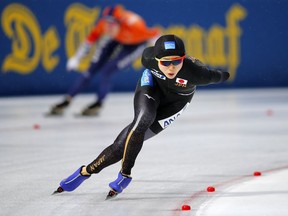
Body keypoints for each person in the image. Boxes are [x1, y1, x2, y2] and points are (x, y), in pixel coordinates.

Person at [53, 34, 230, 199]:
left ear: (183, 59)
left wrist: (225, 75)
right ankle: (123, 174)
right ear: (156, 59)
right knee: (142, 120)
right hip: (151, 86)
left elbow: (218, 75)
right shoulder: (148, 57)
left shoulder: (198, 74)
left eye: (176, 62)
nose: (171, 67)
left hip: (176, 103)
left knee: (121, 146)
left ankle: (86, 171)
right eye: (165, 62)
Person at [49, 5, 160, 116]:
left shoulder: (136, 27)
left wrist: (157, 55)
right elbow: (89, 41)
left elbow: (155, 34)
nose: (108, 28)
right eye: (107, 23)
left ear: (120, 24)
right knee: (92, 68)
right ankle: (68, 99)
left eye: (112, 24)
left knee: (108, 70)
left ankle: (99, 103)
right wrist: (77, 58)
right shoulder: (103, 26)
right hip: (116, 38)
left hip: (135, 44)